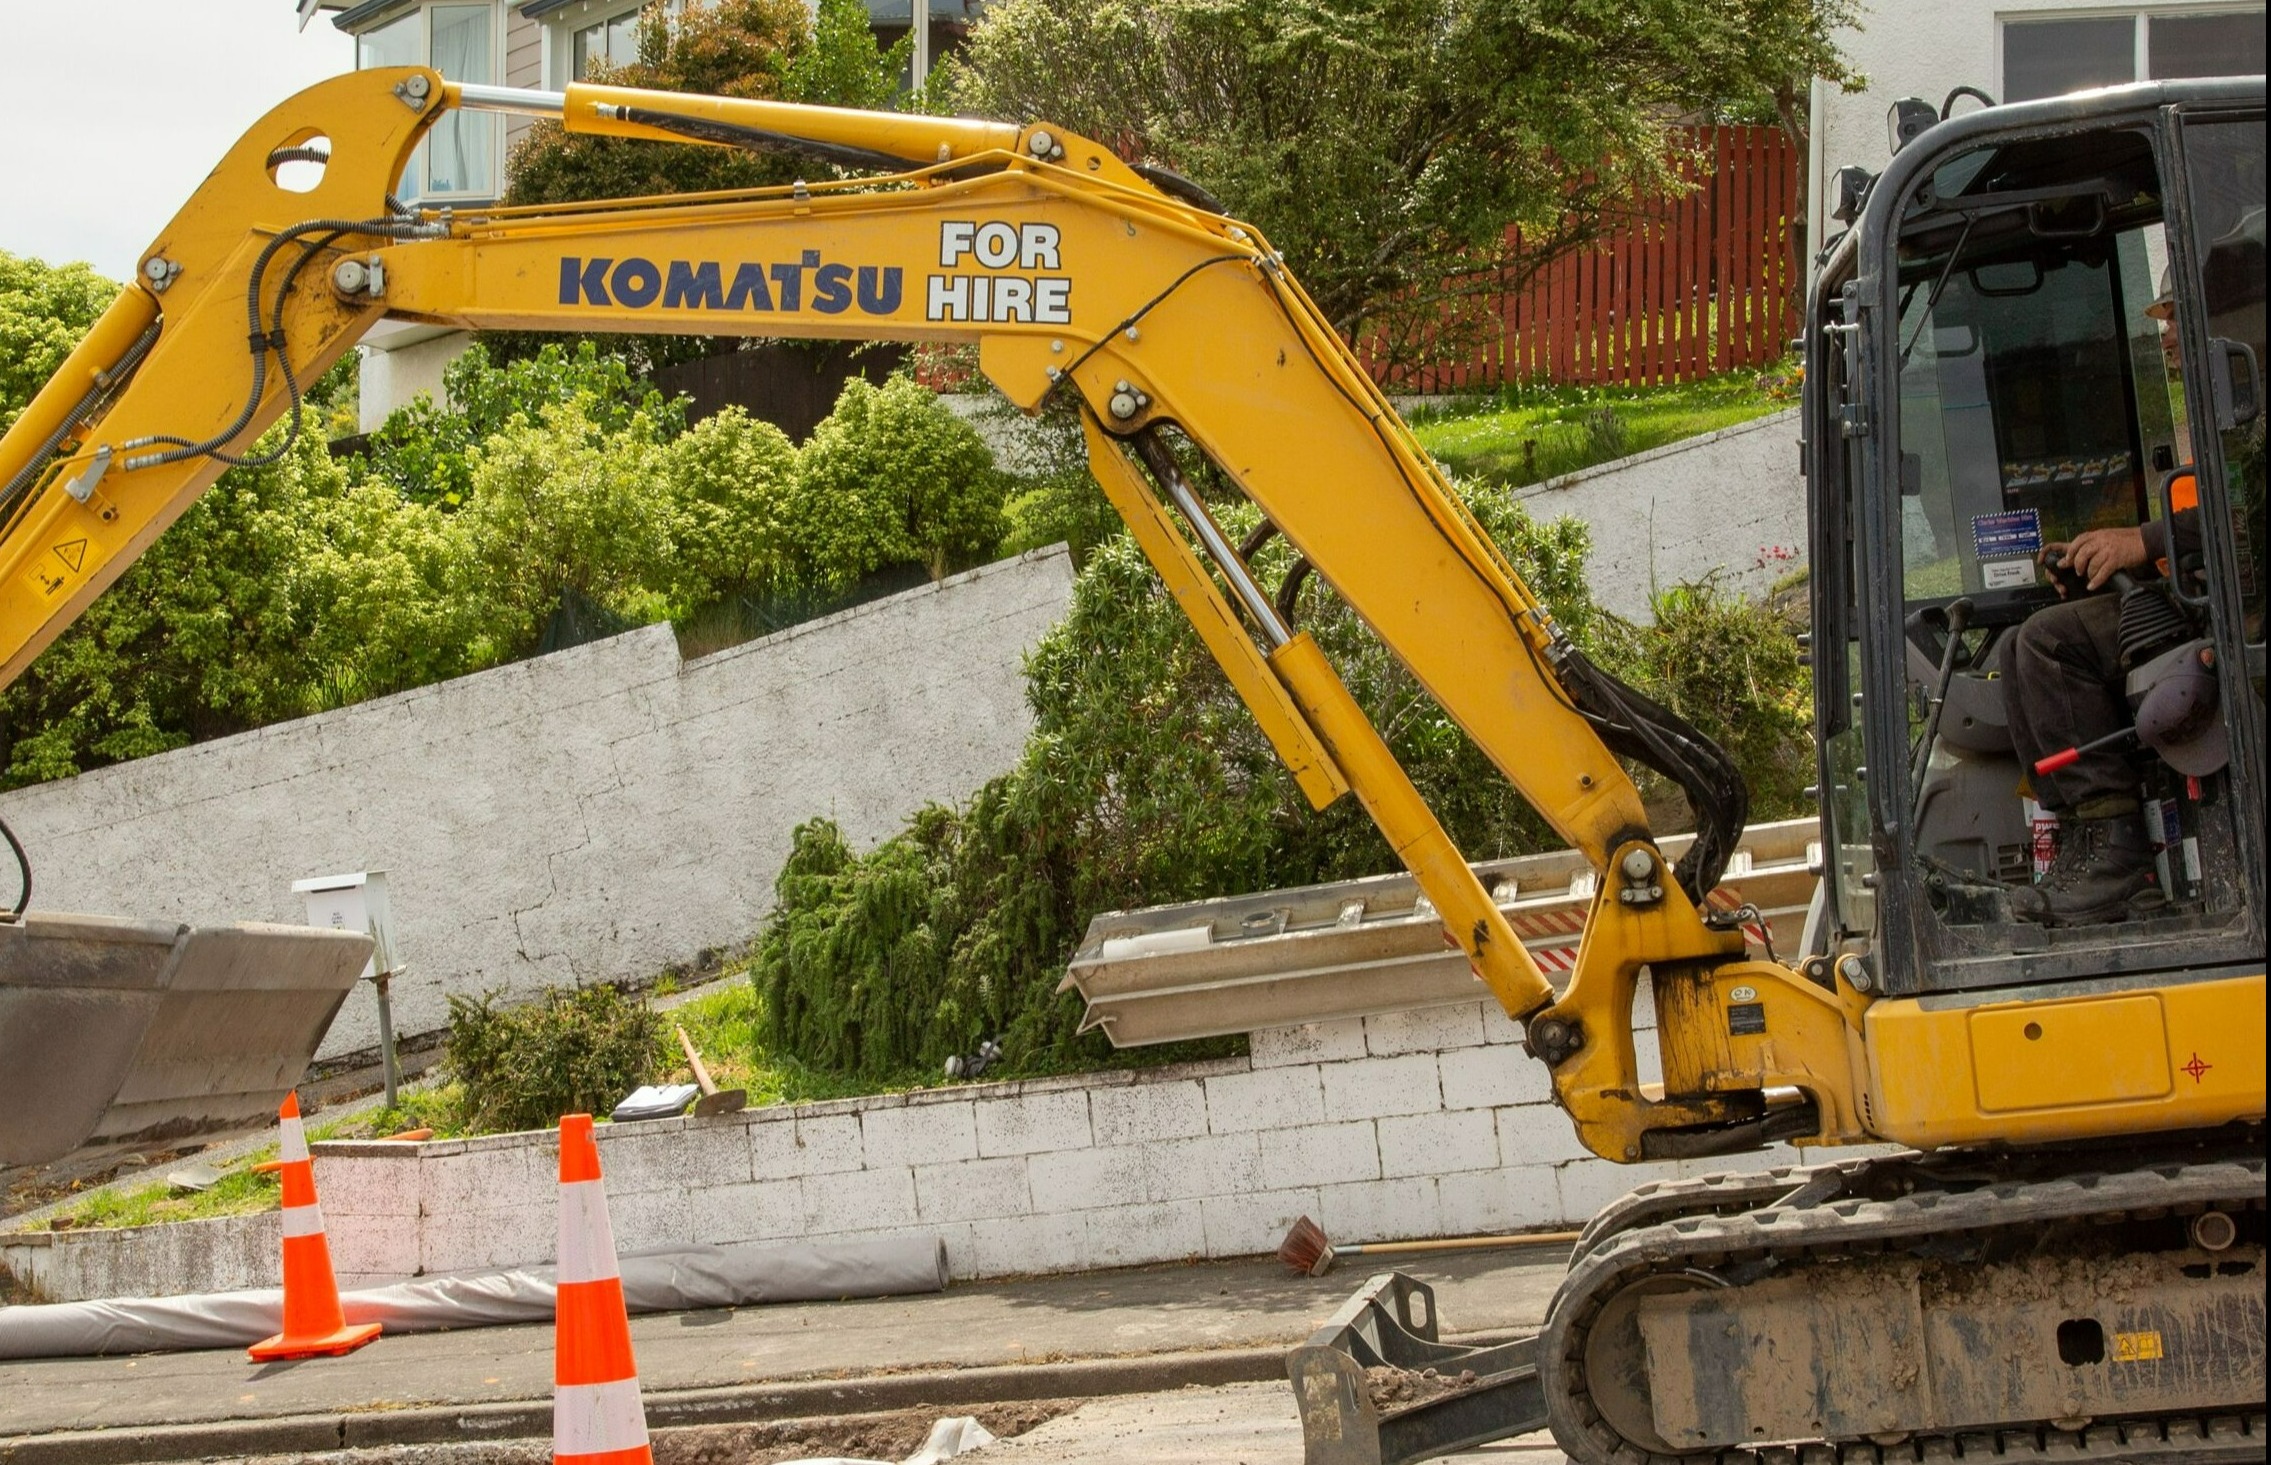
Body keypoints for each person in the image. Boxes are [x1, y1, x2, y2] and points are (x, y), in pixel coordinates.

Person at [2000, 270, 2202, 927]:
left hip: (2227, 616)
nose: (2164, 334)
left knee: (2048, 643)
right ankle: (2082, 839)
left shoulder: (2244, 409)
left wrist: (2138, 542)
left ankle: (2115, 855)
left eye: (2174, 318)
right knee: (2017, 645)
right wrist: (2109, 565)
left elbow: (2242, 520)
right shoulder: (2213, 403)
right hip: (2192, 598)